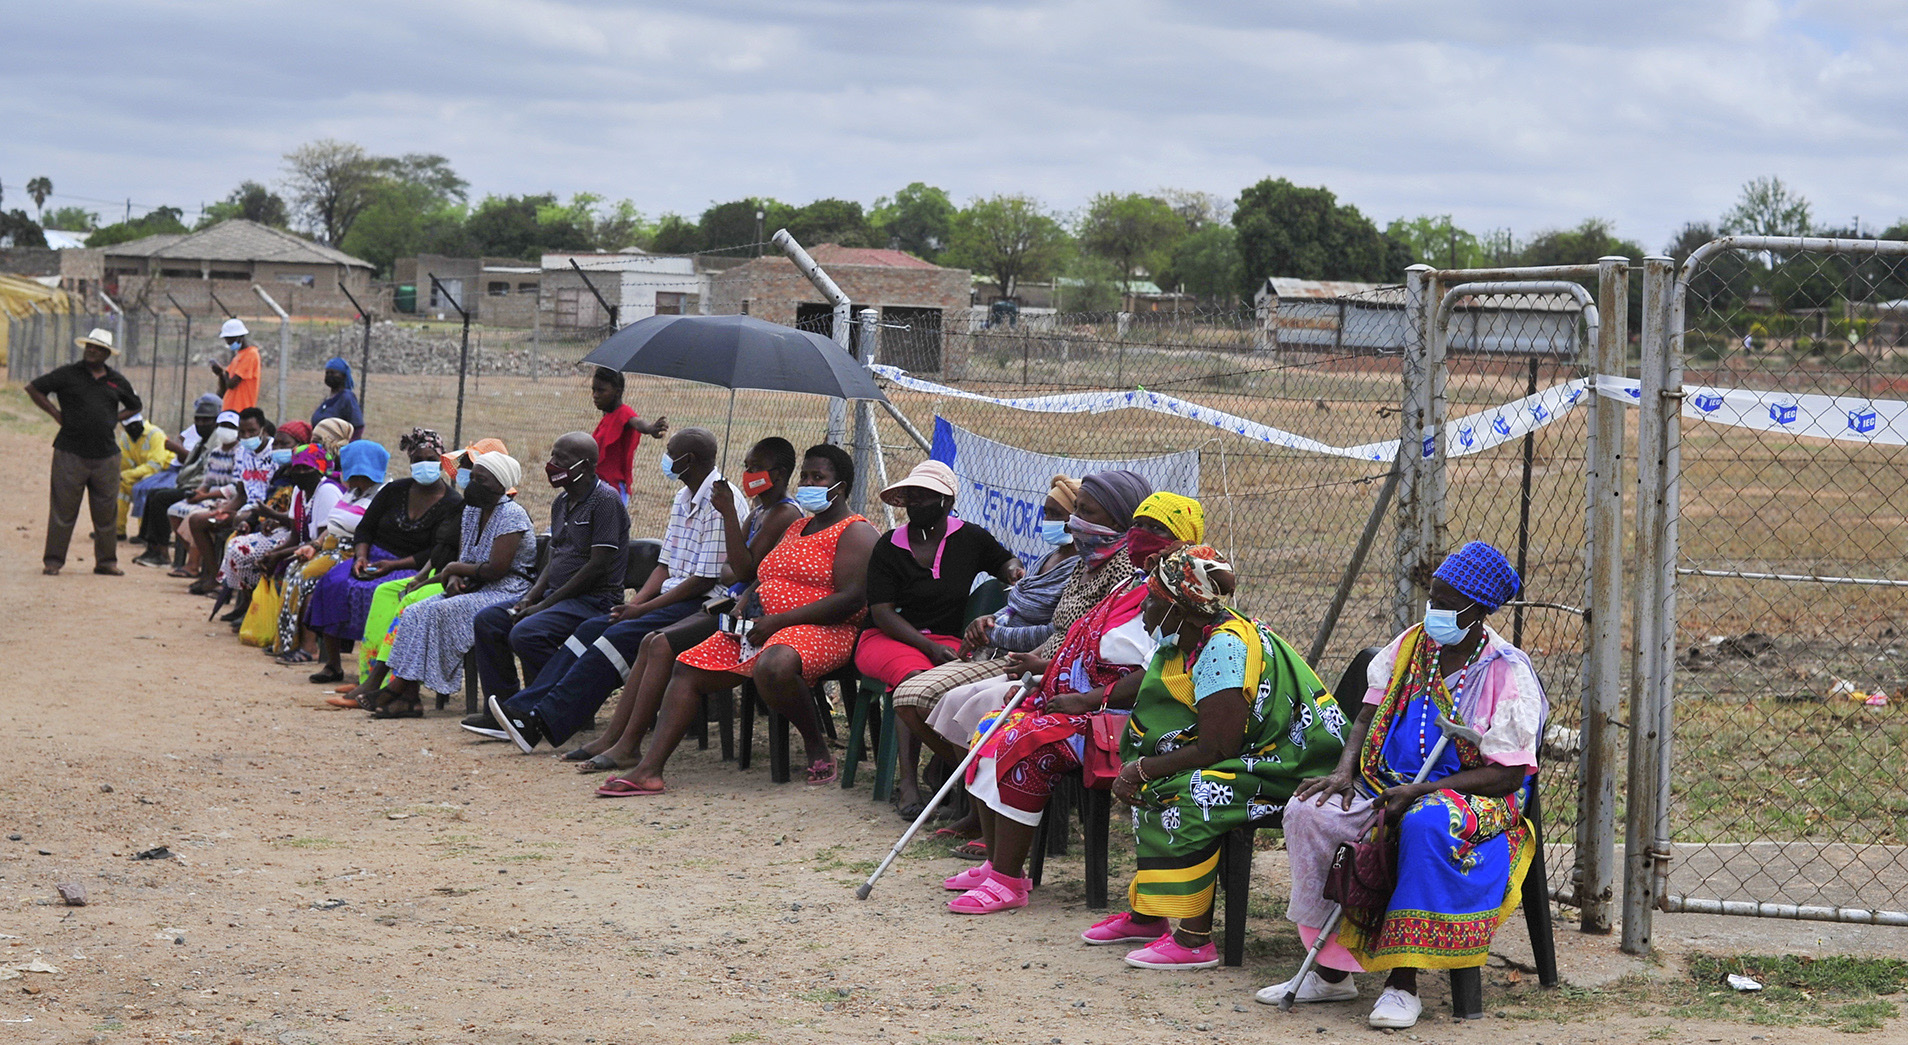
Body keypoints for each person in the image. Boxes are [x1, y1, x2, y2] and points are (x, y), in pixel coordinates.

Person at [1261, 541, 1544, 1030]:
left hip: (1475, 794)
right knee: (1311, 811)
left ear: (1478, 611)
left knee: (1425, 823)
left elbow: (1509, 775)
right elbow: (1367, 714)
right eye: (1432, 599)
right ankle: (1330, 972)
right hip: (1386, 780)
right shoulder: (1413, 645)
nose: (1434, 611)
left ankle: (1403, 982)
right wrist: (1346, 770)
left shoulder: (1506, 671)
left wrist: (1421, 792)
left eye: (1447, 604)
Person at [1054, 547, 1344, 971]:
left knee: (1187, 790)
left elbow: (1216, 749)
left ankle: (1194, 939)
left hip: (1289, 764)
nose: (1144, 611)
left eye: (1151, 600)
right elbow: (1158, 687)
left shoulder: (1223, 649)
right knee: (1157, 777)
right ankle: (1149, 914)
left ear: (1178, 606)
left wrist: (1139, 768)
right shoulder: (1193, 636)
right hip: (1249, 752)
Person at [936, 491, 1205, 865]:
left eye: (1156, 528)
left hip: (1136, 718)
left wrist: (1083, 699)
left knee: (1026, 740)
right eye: (1139, 525)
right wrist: (1050, 673)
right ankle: (994, 864)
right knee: (992, 728)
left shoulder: (1184, 596)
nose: (1142, 535)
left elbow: (1156, 675)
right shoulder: (1131, 585)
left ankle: (1009, 877)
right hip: (1088, 700)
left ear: (1185, 540)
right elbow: (1083, 643)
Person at [595, 444, 879, 794]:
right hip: (762, 625)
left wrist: (780, 621)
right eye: (805, 476)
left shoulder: (856, 531)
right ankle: (649, 769)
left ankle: (815, 745)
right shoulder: (798, 528)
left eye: (818, 477)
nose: (807, 483)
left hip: (825, 630)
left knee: (773, 665)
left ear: (842, 486)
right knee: (687, 666)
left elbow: (851, 599)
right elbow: (764, 574)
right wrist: (745, 600)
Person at [892, 469, 1152, 819]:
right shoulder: (1086, 562)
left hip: (1069, 677)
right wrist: (997, 628)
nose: (1075, 522)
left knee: (980, 710)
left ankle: (990, 814)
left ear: (1118, 517)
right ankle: (975, 806)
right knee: (950, 701)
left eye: (1085, 512)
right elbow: (1038, 614)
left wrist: (1030, 656)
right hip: (1042, 662)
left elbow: (1093, 646)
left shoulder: (1125, 572)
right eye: (1074, 512)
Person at [551, 436, 802, 766]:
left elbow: (737, 568)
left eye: (755, 468)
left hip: (750, 613)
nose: (747, 473)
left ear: (779, 474)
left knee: (659, 644)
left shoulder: (782, 514)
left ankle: (628, 745)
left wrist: (727, 514)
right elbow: (730, 570)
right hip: (729, 601)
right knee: (649, 642)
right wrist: (737, 559)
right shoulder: (759, 512)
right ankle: (614, 738)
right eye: (745, 466)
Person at [485, 427, 728, 752]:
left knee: (614, 639)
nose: (665, 459)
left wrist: (641, 609)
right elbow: (664, 566)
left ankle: (545, 721)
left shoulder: (719, 501)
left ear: (689, 459)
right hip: (667, 599)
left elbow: (704, 581)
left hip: (700, 604)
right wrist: (636, 605)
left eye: (670, 452)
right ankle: (524, 709)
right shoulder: (683, 498)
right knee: (591, 630)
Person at [855, 460, 1024, 817]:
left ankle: (943, 768)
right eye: (911, 496)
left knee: (960, 685)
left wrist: (1012, 570)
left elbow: (1004, 563)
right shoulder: (889, 546)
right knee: (913, 680)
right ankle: (908, 786)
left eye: (925, 496)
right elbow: (882, 611)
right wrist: (929, 647)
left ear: (947, 502)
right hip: (885, 637)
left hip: (947, 639)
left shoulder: (971, 538)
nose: (915, 503)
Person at [464, 432, 630, 731]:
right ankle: (502, 710)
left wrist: (545, 604)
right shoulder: (562, 501)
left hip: (595, 601)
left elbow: (597, 566)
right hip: (559, 596)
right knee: (489, 620)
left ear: (588, 465)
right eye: (553, 456)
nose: (552, 464)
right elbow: (555, 557)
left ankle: (552, 712)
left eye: (561, 459)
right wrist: (532, 597)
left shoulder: (605, 500)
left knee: (527, 633)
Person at [367, 452, 536, 718]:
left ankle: (400, 688)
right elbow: (465, 558)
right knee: (413, 612)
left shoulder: (512, 515)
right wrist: (454, 576)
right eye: (473, 478)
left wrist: (454, 570)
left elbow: (497, 569)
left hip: (508, 590)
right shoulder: (471, 511)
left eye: (481, 479)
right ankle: (409, 698)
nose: (471, 484)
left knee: (436, 612)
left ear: (500, 485)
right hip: (476, 587)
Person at [310, 429, 463, 690]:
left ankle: (384, 677)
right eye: (416, 459)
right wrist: (360, 556)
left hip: (412, 565)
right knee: (333, 583)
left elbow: (437, 551)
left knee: (379, 594)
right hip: (373, 557)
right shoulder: (394, 490)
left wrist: (394, 565)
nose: (422, 464)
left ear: (441, 460)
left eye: (429, 459)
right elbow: (365, 528)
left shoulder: (452, 502)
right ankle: (333, 663)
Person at [26, 326, 142, 576]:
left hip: (106, 456)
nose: (91, 351)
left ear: (106, 354)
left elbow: (135, 405)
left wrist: (114, 418)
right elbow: (34, 388)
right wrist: (56, 414)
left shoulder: (116, 380)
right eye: (89, 346)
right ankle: (54, 561)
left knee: (106, 512)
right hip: (70, 451)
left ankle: (106, 562)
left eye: (97, 348)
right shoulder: (68, 374)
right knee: (63, 510)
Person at [276, 440, 388, 672]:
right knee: (293, 571)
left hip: (351, 552)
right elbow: (334, 524)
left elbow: (367, 533)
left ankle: (309, 648)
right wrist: (315, 545)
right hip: (329, 547)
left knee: (306, 578)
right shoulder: (353, 493)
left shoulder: (381, 495)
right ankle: (287, 642)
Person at [133, 395, 225, 568]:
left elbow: (206, 474)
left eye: (206, 420)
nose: (201, 423)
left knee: (161, 498)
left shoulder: (217, 441)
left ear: (216, 421)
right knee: (153, 493)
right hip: (189, 484)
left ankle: (162, 552)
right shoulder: (202, 439)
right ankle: (153, 547)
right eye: (198, 419)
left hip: (202, 490)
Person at [161, 410, 242, 576]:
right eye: (223, 426)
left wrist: (205, 496)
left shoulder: (240, 452)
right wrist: (198, 493)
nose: (226, 429)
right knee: (174, 511)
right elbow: (207, 480)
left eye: (230, 426)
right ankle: (198, 558)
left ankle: (193, 564)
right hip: (210, 496)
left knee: (195, 516)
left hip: (229, 499)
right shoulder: (216, 452)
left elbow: (235, 488)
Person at [589, 367, 667, 500]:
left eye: (601, 390)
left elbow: (637, 422)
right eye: (594, 390)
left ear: (617, 392)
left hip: (612, 489)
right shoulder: (608, 415)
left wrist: (650, 428)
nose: (595, 395)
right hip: (599, 485)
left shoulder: (624, 413)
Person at [115, 413, 175, 538]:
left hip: (165, 474)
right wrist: (123, 475)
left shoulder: (155, 435)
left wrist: (129, 474)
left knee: (145, 486)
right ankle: (117, 530)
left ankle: (145, 533)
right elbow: (125, 462)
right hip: (141, 472)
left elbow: (155, 466)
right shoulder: (126, 438)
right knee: (122, 485)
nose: (132, 429)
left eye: (134, 425)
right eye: (128, 427)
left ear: (141, 422)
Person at [211, 318, 261, 412]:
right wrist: (220, 374)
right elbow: (224, 389)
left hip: (241, 410)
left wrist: (223, 372)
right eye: (227, 339)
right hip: (228, 410)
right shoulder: (238, 357)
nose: (228, 342)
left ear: (241, 336)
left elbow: (231, 384)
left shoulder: (251, 355)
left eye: (231, 339)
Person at [310, 357, 364, 437]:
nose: (329, 376)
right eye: (327, 373)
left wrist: (348, 446)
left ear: (344, 376)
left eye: (333, 373)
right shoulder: (327, 400)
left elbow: (358, 426)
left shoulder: (347, 397)